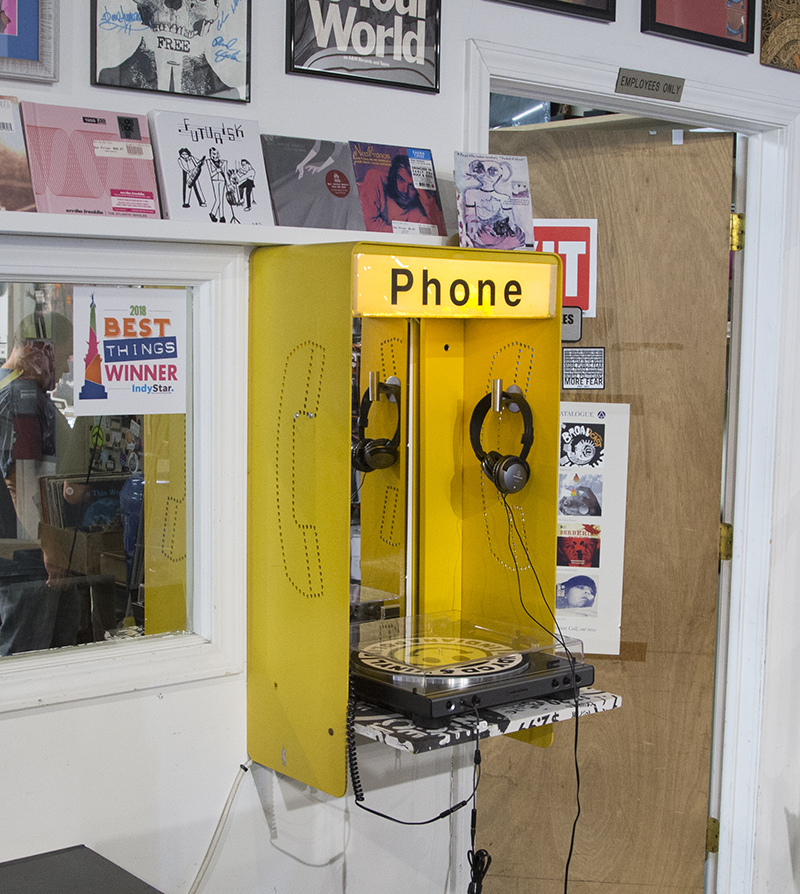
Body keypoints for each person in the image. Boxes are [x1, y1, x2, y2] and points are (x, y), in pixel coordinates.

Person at [0, 313, 85, 655]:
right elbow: (20, 480)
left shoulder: (11, 386)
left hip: (24, 550)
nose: (65, 370)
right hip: (30, 560)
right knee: (26, 658)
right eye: (63, 357)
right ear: (39, 351)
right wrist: (49, 546)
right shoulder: (21, 397)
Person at [359, 154, 445, 233]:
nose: (404, 191)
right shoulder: (376, 179)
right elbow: (369, 225)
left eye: (412, 186)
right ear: (394, 176)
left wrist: (426, 199)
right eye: (401, 180)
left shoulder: (419, 212)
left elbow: (438, 232)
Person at [460, 157, 526, 249]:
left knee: (518, 238)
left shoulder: (504, 198)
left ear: (501, 174)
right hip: (481, 237)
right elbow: (471, 224)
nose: (486, 175)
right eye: (480, 170)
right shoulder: (471, 193)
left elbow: (511, 224)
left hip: (501, 235)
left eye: (493, 171)